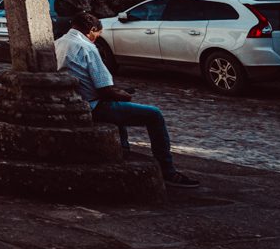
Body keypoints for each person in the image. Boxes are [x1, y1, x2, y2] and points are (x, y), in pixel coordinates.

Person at [55, 14, 201, 188]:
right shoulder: (87, 47)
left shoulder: (58, 44)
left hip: (73, 102)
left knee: (121, 111)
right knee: (154, 115)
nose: (96, 39)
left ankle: (124, 149)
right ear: (92, 30)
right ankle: (167, 170)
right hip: (93, 105)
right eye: (97, 35)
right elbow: (105, 90)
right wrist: (124, 94)